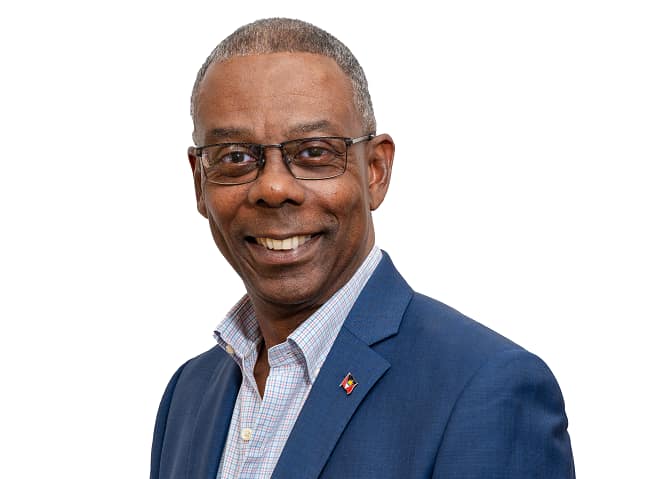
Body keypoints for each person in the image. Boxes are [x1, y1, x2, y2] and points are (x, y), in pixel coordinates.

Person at [150, 18, 575, 479]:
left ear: (375, 170)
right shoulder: (187, 396)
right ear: (199, 181)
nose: (273, 188)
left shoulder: (487, 389)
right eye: (235, 156)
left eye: (314, 152)